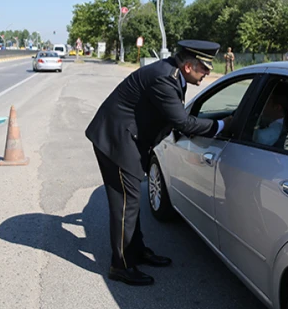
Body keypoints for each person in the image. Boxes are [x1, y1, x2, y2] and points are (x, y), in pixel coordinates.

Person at [85, 40, 232, 286]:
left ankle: (136, 249)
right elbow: (183, 122)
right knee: (125, 203)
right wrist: (222, 125)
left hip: (130, 138)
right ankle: (120, 265)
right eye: (204, 67)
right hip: (116, 140)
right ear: (188, 66)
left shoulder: (172, 74)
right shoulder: (164, 78)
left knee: (131, 201)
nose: (207, 73)